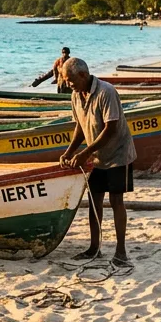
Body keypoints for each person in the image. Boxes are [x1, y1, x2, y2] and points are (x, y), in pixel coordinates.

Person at [57, 57, 137, 266]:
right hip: (96, 156)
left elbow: (110, 128)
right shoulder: (76, 95)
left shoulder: (106, 91)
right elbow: (80, 127)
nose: (67, 84)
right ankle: (94, 247)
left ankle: (121, 252)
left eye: (70, 80)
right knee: (94, 201)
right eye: (66, 80)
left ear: (83, 75)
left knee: (116, 201)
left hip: (118, 153)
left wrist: (85, 153)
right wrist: (69, 151)